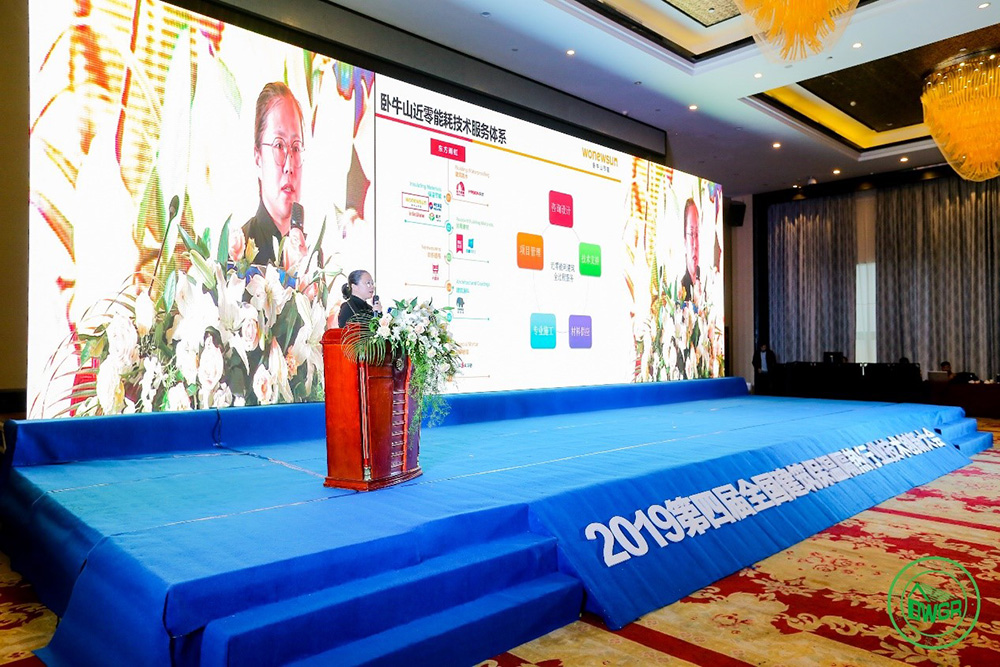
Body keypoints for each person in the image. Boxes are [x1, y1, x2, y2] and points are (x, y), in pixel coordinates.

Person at [242, 82, 308, 270]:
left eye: (296, 148)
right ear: (258, 158)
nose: (289, 166)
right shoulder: (240, 253)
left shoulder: (311, 257)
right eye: (279, 146)